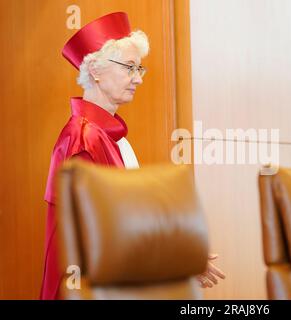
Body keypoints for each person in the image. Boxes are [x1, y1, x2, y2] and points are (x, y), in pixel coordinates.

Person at [41, 12, 224, 300]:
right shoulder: (84, 138)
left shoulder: (109, 136)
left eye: (140, 69)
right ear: (95, 71)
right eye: (129, 67)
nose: (137, 79)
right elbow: (101, 235)